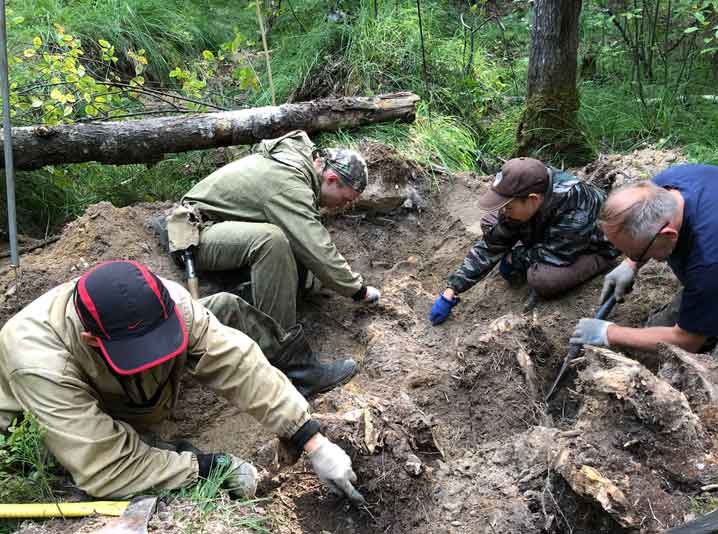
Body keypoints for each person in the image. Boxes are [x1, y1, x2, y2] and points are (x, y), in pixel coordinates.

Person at [0, 260, 365, 501]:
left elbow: (238, 363)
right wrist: (208, 468)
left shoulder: (170, 300)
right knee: (84, 478)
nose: (152, 362)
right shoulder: (39, 362)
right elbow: (104, 467)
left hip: (118, 400)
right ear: (92, 342)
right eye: (138, 355)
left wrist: (309, 437)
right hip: (39, 429)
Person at [570, 164, 718, 406]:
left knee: (717, 393)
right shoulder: (666, 187)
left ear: (668, 234)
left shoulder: (714, 257)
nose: (634, 257)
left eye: (637, 252)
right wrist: (630, 263)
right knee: (646, 347)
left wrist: (608, 332)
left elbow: (687, 340)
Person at [178, 130, 381, 332]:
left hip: (218, 228)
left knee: (287, 242)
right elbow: (315, 247)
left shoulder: (298, 168)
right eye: (345, 199)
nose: (342, 206)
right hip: (192, 234)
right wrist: (358, 291)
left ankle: (258, 300)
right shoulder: (290, 186)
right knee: (271, 240)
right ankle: (281, 344)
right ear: (331, 179)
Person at [429, 157, 619, 325]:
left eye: (508, 206)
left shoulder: (576, 204)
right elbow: (491, 245)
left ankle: (598, 263)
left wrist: (515, 258)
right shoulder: (530, 191)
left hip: (590, 246)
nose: (504, 211)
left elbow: (557, 254)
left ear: (533, 199)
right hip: (551, 232)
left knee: (542, 279)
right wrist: (452, 289)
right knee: (491, 221)